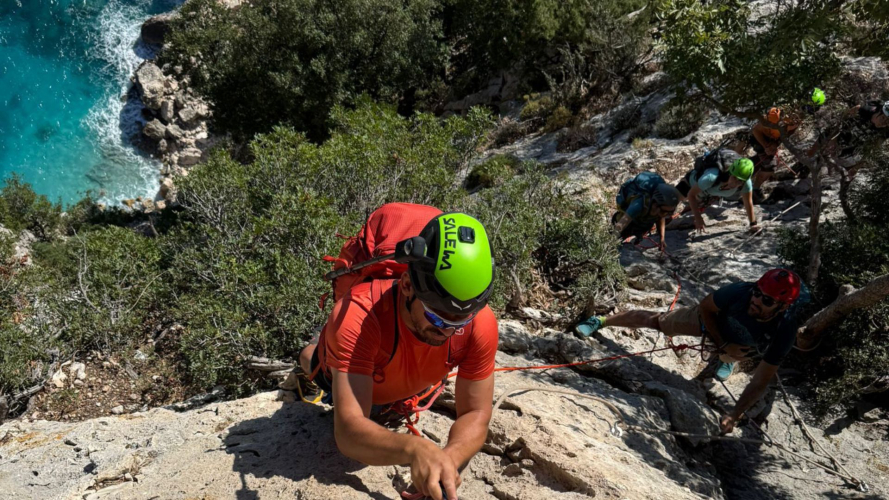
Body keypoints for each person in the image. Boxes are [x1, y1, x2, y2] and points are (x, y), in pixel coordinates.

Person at [296, 212, 498, 500]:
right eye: (437, 318)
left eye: (460, 322)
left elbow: (476, 413)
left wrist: (446, 462)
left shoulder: (480, 323)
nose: (448, 332)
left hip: (403, 377)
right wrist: (415, 450)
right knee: (314, 359)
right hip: (360, 359)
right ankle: (317, 346)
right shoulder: (360, 314)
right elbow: (349, 431)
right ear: (406, 286)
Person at [575, 269, 804, 434]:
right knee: (659, 322)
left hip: (738, 345)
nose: (756, 300)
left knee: (739, 351)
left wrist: (734, 414)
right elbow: (706, 307)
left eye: (766, 300)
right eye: (757, 291)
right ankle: (602, 320)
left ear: (783, 307)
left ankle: (727, 360)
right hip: (711, 322)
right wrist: (722, 343)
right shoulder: (739, 293)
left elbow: (761, 380)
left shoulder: (784, 330)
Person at [675, 149, 758, 233]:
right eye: (734, 177)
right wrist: (698, 217)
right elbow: (691, 195)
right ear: (730, 172)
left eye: (740, 181)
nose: (735, 183)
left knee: (684, 214)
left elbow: (748, 202)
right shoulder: (711, 177)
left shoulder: (746, 182)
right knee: (671, 201)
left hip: (708, 194)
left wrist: (753, 223)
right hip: (691, 183)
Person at [612, 172, 681, 251]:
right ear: (655, 205)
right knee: (625, 231)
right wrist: (611, 242)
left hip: (642, 221)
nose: (667, 214)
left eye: (671, 212)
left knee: (647, 224)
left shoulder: (660, 208)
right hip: (628, 221)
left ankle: (636, 238)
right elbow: (622, 223)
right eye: (665, 212)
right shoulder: (639, 204)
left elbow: (661, 218)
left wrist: (662, 239)